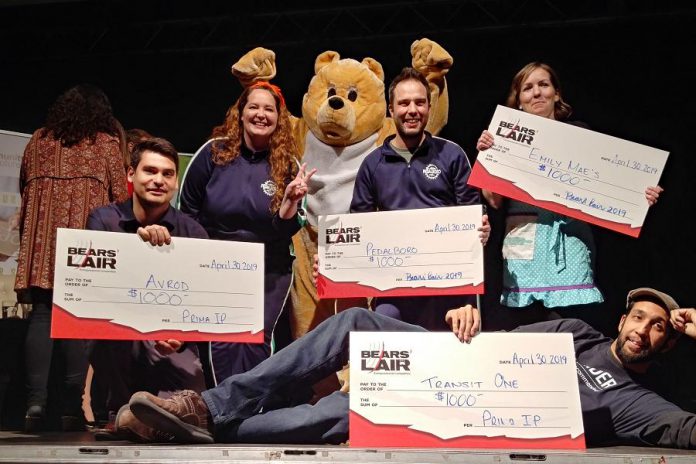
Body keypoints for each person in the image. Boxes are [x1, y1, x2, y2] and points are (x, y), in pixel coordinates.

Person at [117, 287, 696, 449]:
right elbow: (507, 346)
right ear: (623, 318)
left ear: (668, 344)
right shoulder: (578, 334)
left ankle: (193, 425)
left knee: (331, 418)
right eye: (639, 317)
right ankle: (209, 404)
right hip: (458, 365)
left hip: (470, 418)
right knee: (354, 324)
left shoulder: (638, 404)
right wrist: (470, 323)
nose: (642, 331)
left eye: (658, 328)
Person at [476, 62, 663, 329]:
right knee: (527, 331)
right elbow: (493, 200)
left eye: (543, 85)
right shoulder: (503, 139)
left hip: (570, 245)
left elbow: (614, 188)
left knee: (572, 329)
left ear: (556, 93)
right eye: (527, 88)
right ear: (518, 101)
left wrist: (640, 194)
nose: (536, 93)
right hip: (524, 249)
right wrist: (488, 155)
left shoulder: (580, 136)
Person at [178, 82, 315, 382]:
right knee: (222, 337)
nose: (261, 114)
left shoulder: (287, 166)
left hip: (268, 268)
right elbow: (186, 212)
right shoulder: (212, 153)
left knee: (255, 338)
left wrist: (291, 201)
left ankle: (250, 415)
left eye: (269, 109)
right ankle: (223, 410)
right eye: (254, 107)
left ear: (279, 118)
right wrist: (198, 260)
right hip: (215, 266)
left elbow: (285, 229)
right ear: (240, 113)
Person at [15, 84, 129, 431]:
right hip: (85, 245)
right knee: (78, 321)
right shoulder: (106, 146)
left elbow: (23, 185)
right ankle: (69, 408)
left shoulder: (38, 141)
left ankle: (35, 404)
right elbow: (119, 196)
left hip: (42, 244)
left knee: (42, 315)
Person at [350, 67, 490, 330]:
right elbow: (358, 229)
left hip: (452, 283)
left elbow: (473, 216)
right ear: (391, 110)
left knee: (455, 360)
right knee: (385, 343)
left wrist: (481, 230)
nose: (412, 110)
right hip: (394, 286)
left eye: (419, 102)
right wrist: (333, 257)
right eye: (403, 103)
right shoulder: (372, 164)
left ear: (429, 107)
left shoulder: (452, 154)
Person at [86, 138, 208, 432]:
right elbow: (94, 289)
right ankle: (119, 410)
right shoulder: (103, 220)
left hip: (170, 340)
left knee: (181, 403)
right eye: (150, 171)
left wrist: (182, 334)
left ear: (176, 181)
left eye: (167, 173)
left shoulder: (193, 231)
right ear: (131, 174)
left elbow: (204, 297)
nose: (158, 180)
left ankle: (140, 421)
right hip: (119, 333)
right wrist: (137, 247)